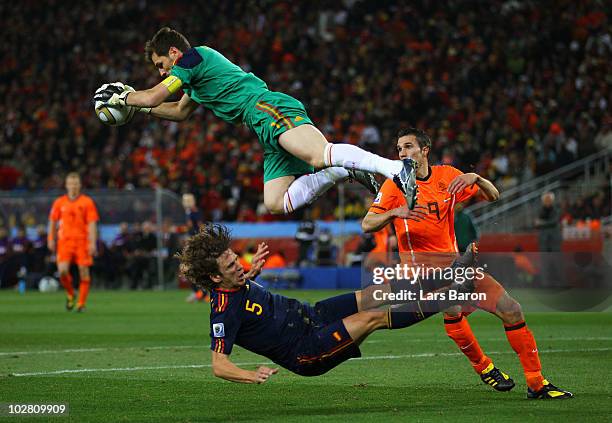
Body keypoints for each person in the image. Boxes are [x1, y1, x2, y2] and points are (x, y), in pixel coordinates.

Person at [93, 27, 418, 214]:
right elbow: (178, 112)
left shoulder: (194, 58)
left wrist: (124, 96)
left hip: (265, 106)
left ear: (175, 53)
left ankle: (394, 168)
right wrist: (139, 108)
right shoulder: (193, 78)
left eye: (161, 64)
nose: (162, 72)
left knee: (317, 153)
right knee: (275, 202)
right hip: (261, 126)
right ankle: (340, 170)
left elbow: (151, 95)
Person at [361, 127, 572, 399]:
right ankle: (483, 366)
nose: (402, 153)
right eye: (399, 148)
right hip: (421, 269)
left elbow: (493, 195)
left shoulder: (447, 176)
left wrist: (478, 178)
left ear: (425, 150)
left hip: (455, 265)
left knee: (512, 310)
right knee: (453, 307)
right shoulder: (394, 185)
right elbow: (367, 224)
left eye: (409, 146)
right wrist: (396, 212)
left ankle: (537, 383)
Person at [177, 223, 476, 384]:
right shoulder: (222, 311)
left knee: (376, 291)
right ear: (216, 278)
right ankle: (452, 295)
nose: (238, 266)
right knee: (372, 316)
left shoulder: (237, 280)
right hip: (306, 351)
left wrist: (251, 271)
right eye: (230, 266)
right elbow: (219, 365)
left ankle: (449, 274)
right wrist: (250, 375)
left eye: (235, 259)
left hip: (311, 314)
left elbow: (243, 287)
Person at [48, 173, 100, 312]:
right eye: (71, 184)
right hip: (64, 242)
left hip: (82, 241)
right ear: (66, 185)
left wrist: (92, 243)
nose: (73, 186)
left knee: (84, 272)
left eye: (76, 183)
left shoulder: (87, 202)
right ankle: (71, 293)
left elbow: (92, 223)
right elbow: (52, 221)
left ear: (80, 185)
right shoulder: (59, 202)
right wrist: (51, 239)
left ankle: (81, 304)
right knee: (63, 271)